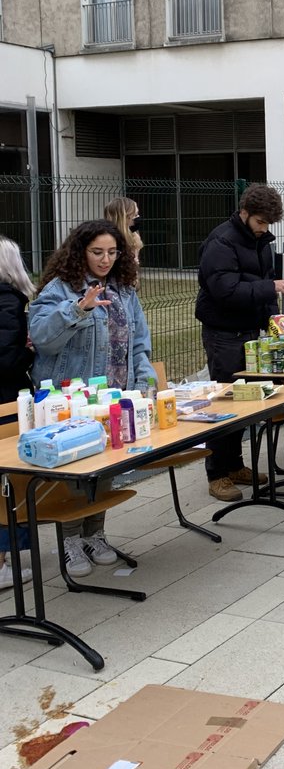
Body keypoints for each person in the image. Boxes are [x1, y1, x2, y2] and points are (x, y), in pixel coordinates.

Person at [30, 221, 154, 578]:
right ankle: (69, 540)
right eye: (97, 252)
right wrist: (77, 310)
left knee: (106, 469)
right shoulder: (60, 289)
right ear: (80, 251)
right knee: (75, 470)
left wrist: (145, 378)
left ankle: (95, 534)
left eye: (113, 253)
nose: (105, 260)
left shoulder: (124, 290)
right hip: (72, 399)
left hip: (115, 395)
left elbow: (138, 342)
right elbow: (41, 338)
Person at [195, 184, 284, 502]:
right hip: (224, 333)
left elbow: (264, 283)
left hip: (251, 332)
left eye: (268, 224)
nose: (264, 229)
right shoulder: (221, 241)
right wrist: (270, 288)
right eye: (260, 223)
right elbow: (225, 290)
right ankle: (217, 474)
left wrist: (276, 321)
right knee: (225, 403)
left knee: (247, 402)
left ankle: (235, 464)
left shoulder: (260, 241)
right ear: (245, 213)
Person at [0, 237, 35, 589]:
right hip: (5, 401)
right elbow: (6, 360)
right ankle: (2, 560)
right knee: (8, 479)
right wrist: (30, 352)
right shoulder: (9, 301)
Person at [104, 197, 143, 264]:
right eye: (135, 215)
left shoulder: (134, 236)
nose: (138, 217)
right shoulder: (110, 238)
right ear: (124, 217)